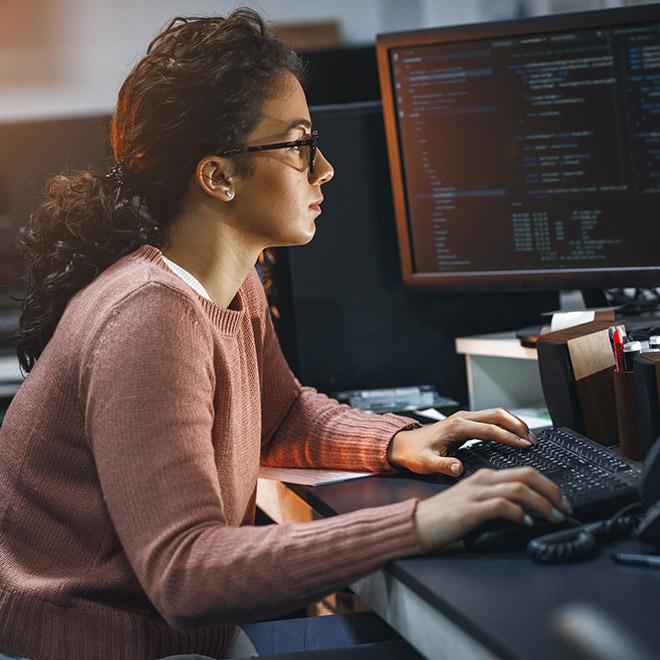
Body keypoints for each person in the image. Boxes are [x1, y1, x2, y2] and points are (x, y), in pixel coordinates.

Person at [0, 9, 570, 660]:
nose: (324, 168)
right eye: (298, 144)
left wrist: (401, 441)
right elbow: (186, 574)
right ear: (217, 177)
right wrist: (420, 521)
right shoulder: (148, 317)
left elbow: (280, 414)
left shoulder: (230, 282)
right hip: (88, 647)